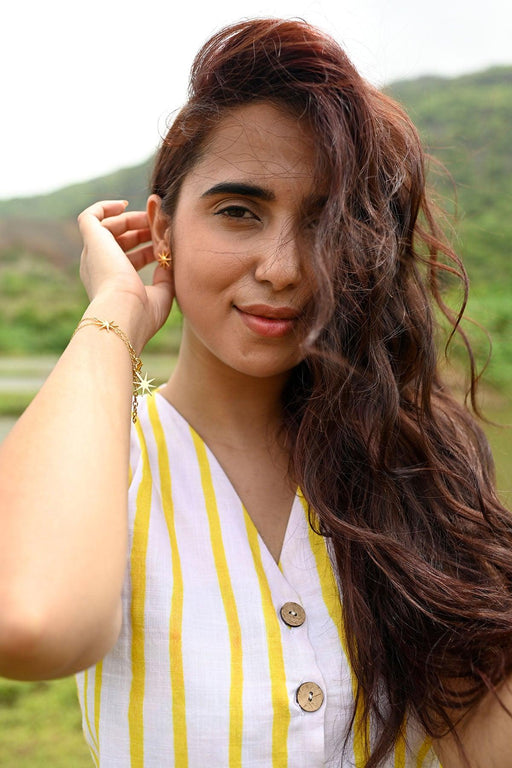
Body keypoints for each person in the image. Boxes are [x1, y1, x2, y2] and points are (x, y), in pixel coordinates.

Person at [0, 17, 511, 768]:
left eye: (326, 222)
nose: (283, 268)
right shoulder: (107, 457)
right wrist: (114, 311)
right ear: (162, 230)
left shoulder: (411, 459)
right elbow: (32, 623)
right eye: (239, 212)